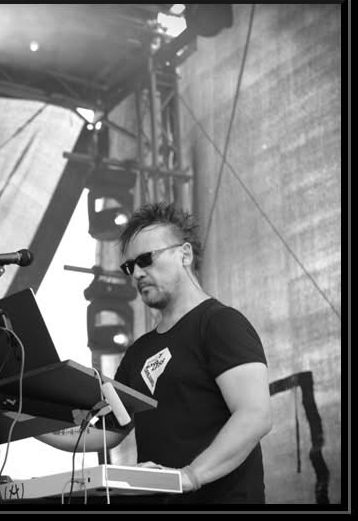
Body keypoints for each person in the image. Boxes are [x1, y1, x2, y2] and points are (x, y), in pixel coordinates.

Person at [36, 202, 272, 504]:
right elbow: (107, 432)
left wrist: (189, 476)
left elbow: (255, 415)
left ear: (184, 254)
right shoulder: (138, 353)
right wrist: (22, 424)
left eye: (146, 259)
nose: (136, 273)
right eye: (129, 267)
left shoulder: (220, 323)